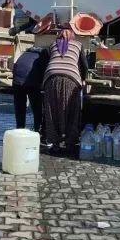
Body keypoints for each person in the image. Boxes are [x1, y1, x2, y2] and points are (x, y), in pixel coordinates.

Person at [42, 27, 88, 155]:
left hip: (51, 78)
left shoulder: (52, 45)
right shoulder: (78, 45)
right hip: (71, 79)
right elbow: (84, 65)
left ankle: (54, 143)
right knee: (72, 110)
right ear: (73, 36)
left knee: (52, 111)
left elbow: (49, 61)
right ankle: (70, 143)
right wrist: (83, 79)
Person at [12, 46, 49, 135]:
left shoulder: (25, 54)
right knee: (37, 107)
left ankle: (20, 129)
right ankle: (38, 130)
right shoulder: (43, 57)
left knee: (20, 107)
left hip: (17, 80)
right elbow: (45, 75)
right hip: (31, 81)